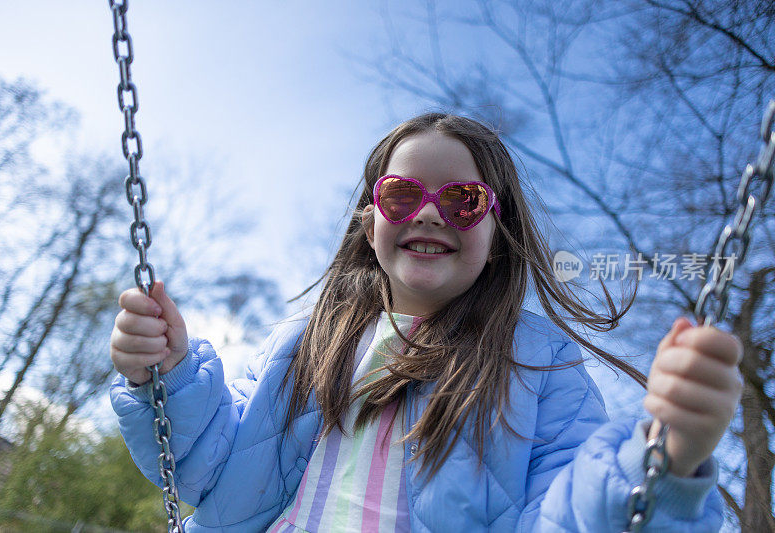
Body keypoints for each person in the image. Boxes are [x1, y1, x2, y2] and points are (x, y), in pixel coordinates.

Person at [110, 113, 742, 532]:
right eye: (403, 195)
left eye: (463, 202)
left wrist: (663, 461)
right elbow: (203, 464)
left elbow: (566, 512)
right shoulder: (300, 346)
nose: (432, 214)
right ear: (370, 221)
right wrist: (166, 375)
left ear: (496, 236)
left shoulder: (537, 364)